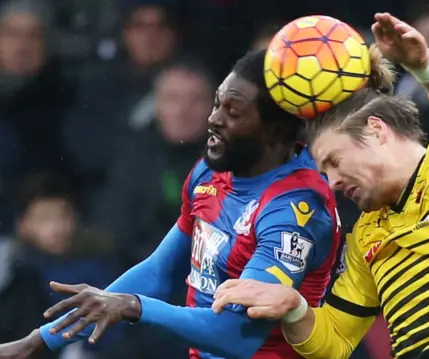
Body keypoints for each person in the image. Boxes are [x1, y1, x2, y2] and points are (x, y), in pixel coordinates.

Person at [211, 12, 429, 359]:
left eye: (334, 162)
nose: (333, 183)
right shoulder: (365, 239)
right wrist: (294, 307)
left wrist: (425, 65)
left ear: (376, 130)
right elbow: (336, 340)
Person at [0, 50, 342, 359]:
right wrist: (38, 342)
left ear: (274, 131)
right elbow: (159, 271)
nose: (214, 119)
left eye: (233, 112)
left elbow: (236, 336)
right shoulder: (209, 173)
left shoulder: (294, 211)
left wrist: (135, 306)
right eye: (217, 103)